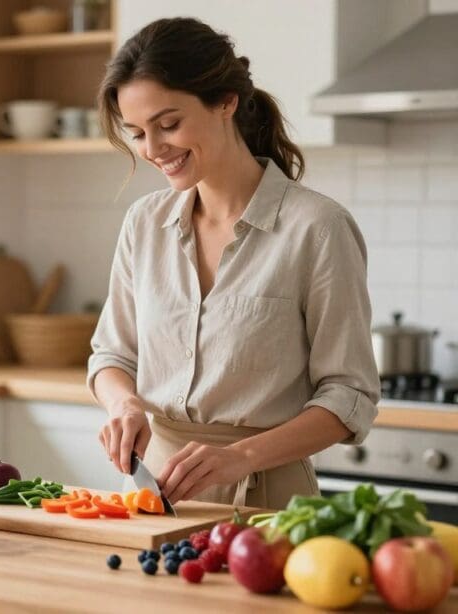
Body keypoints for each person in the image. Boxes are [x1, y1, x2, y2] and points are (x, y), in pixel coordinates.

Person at [87, 17, 380, 509]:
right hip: (151, 494)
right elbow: (111, 356)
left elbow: (349, 396)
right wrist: (125, 403)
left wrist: (241, 456)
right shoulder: (144, 224)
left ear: (226, 101)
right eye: (137, 133)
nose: (154, 150)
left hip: (268, 500)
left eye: (169, 124)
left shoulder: (318, 228)